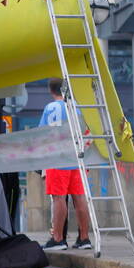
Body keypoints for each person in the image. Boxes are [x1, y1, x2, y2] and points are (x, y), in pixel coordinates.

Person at [39, 79, 91, 251]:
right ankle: (84, 238)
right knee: (80, 198)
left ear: (50, 90)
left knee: (58, 198)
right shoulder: (77, 106)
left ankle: (58, 238)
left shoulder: (50, 108)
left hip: (57, 158)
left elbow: (42, 134)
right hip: (77, 158)